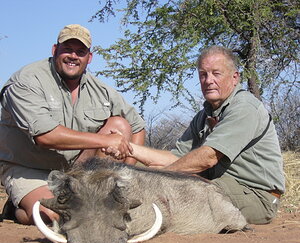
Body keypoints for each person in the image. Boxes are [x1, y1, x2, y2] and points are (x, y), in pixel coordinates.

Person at [111, 45, 285, 225]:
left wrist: (157, 177)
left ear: (235, 78)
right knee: (173, 182)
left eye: (216, 74)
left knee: (184, 190)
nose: (208, 80)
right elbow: (175, 157)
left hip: (258, 196)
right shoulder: (204, 115)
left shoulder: (244, 107)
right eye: (203, 74)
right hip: (220, 185)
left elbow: (208, 157)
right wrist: (127, 147)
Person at [0, 24, 146, 225]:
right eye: (67, 49)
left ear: (89, 57)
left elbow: (136, 126)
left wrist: (126, 174)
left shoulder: (100, 90)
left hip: (75, 170)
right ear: (54, 50)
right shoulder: (26, 81)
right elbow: (45, 136)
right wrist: (104, 140)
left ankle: (100, 191)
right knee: (56, 217)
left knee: (119, 125)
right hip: (29, 168)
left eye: (80, 51)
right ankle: (18, 208)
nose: (73, 56)